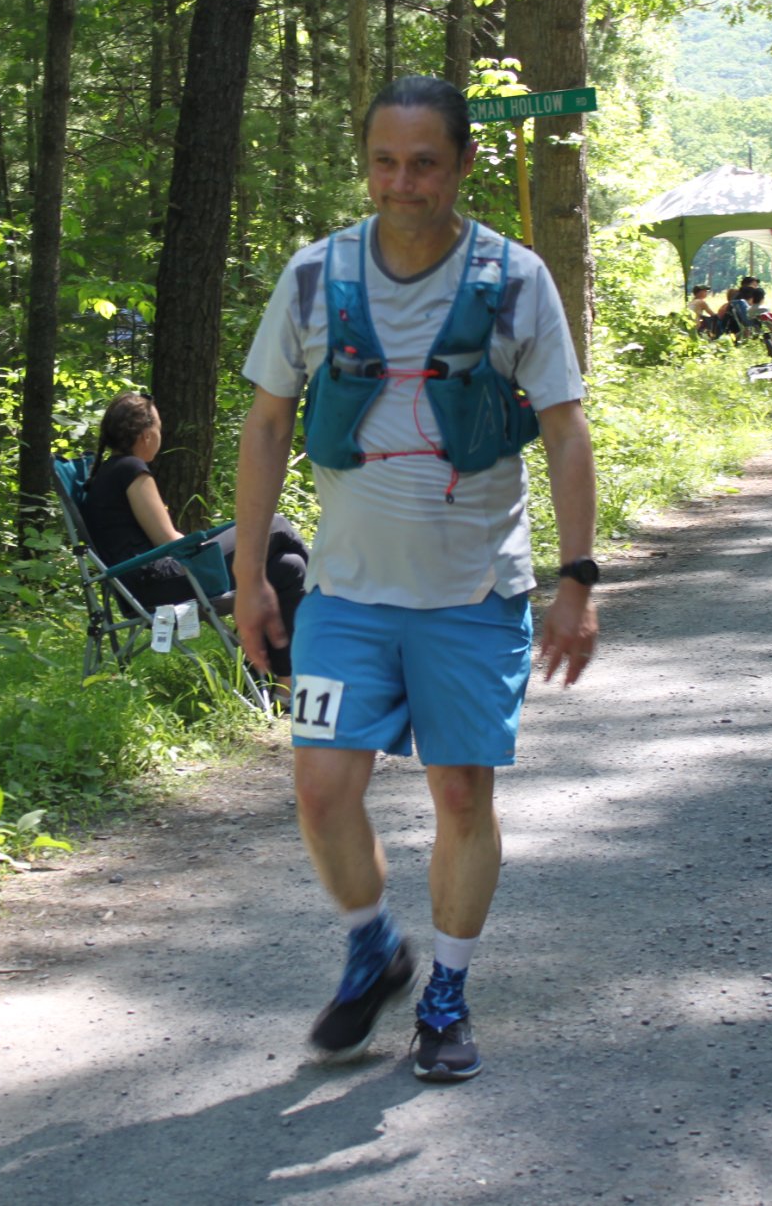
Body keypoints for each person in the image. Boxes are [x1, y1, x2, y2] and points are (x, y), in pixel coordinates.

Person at [232, 75, 597, 1084]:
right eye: (384, 162)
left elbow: (564, 430)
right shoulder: (312, 278)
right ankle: (370, 949)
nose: (402, 182)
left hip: (473, 594)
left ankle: (445, 993)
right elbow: (264, 426)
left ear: (463, 164)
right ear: (365, 164)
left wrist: (577, 576)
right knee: (318, 787)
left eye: (423, 162)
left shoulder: (515, 281)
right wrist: (250, 571)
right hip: (342, 596)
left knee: (460, 795)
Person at [81, 391, 309, 671]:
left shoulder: (108, 473)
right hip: (158, 583)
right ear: (146, 435)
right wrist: (208, 545)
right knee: (276, 524)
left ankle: (275, 678)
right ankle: (333, 601)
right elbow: (168, 541)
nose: (160, 436)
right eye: (159, 429)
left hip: (146, 583)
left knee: (289, 566)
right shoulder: (131, 470)